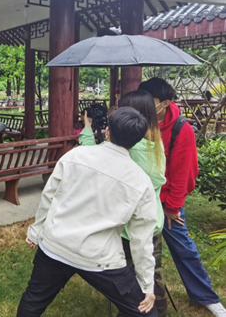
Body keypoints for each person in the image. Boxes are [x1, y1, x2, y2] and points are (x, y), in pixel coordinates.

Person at [17, 107, 158, 317]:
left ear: (108, 130)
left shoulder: (76, 155)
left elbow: (49, 196)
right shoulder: (141, 181)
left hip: (56, 244)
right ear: (137, 141)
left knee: (33, 300)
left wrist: (36, 231)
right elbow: (142, 238)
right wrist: (147, 285)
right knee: (144, 312)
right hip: (100, 258)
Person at [139, 78, 226, 317]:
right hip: (140, 198)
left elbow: (183, 173)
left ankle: (205, 296)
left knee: (183, 249)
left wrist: (172, 206)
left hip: (165, 202)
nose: (145, 106)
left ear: (165, 103)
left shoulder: (181, 129)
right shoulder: (141, 121)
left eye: (150, 102)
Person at [80, 90, 168, 317]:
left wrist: (88, 128)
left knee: (127, 272)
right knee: (152, 270)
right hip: (153, 221)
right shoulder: (155, 144)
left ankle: (134, 310)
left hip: (128, 223)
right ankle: (159, 309)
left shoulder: (129, 150)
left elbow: (91, 154)